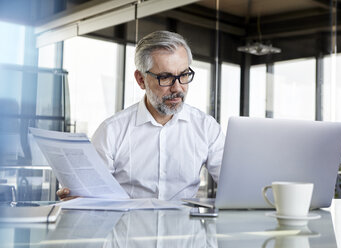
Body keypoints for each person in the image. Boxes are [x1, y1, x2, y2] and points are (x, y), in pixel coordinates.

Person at [57, 30, 224, 201]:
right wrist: (78, 197)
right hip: (128, 226)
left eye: (183, 75)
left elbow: (236, 185)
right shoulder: (112, 131)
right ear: (141, 80)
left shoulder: (206, 127)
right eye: (165, 77)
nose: (177, 88)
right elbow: (90, 196)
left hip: (185, 227)